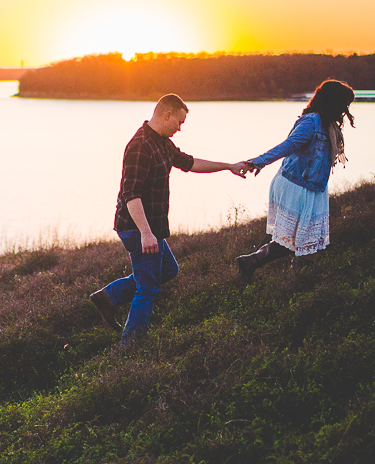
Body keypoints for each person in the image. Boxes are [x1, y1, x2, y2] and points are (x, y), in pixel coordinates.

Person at [89, 94, 242, 345]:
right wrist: (146, 234)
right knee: (148, 288)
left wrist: (228, 166)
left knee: (168, 269)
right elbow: (131, 194)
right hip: (137, 227)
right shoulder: (140, 146)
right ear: (166, 114)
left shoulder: (162, 143)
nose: (180, 128)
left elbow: (191, 163)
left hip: (152, 228)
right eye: (179, 122)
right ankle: (131, 345)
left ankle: (108, 297)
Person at [233, 79, 355, 281]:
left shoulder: (328, 124)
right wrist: (258, 162)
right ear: (333, 101)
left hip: (314, 188)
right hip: (296, 186)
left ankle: (271, 267)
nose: (345, 110)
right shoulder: (311, 122)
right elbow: (288, 146)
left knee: (308, 239)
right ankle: (259, 264)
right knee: (297, 239)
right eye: (343, 104)